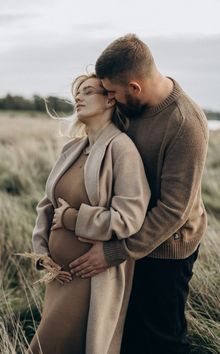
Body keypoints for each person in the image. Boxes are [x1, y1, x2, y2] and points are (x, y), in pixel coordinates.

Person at [66, 34, 209, 354]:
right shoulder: (128, 105)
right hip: (126, 234)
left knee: (161, 339)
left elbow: (174, 211)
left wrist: (113, 252)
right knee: (124, 334)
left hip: (166, 249)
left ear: (135, 87)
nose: (110, 99)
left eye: (113, 92)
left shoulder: (184, 123)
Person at [29, 73, 151, 354]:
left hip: (90, 279)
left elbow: (129, 218)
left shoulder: (122, 149)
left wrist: (74, 219)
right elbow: (46, 204)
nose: (78, 98)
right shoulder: (72, 148)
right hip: (59, 278)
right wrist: (41, 253)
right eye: (76, 94)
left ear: (110, 98)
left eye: (87, 91)